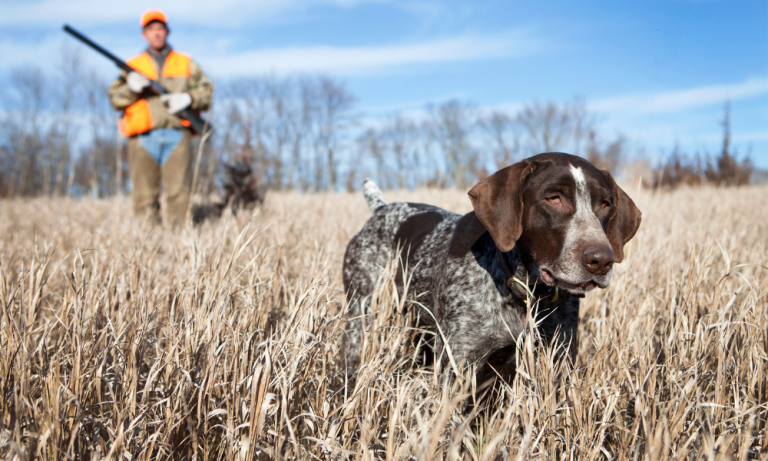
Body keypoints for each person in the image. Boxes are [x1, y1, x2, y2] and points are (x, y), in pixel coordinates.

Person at [108, 9, 213, 227]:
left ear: (167, 31)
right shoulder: (132, 65)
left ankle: (178, 241)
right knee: (144, 196)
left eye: (160, 28)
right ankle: (147, 243)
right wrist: (131, 89)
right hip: (142, 137)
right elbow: (115, 98)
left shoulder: (185, 62)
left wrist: (188, 98)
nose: (156, 33)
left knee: (179, 194)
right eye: (151, 29)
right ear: (144, 34)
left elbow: (207, 92)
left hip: (178, 134)